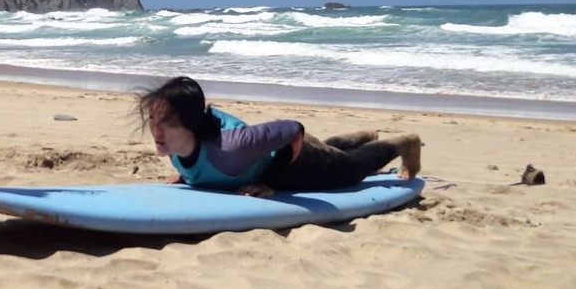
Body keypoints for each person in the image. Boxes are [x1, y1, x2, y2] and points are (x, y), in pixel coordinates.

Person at [138, 77, 421, 196]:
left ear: (190, 124)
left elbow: (294, 129)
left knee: (352, 170)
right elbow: (200, 159)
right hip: (267, 151)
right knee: (335, 153)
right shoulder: (174, 143)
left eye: (166, 122)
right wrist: (191, 174)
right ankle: (363, 135)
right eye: (152, 119)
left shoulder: (231, 147)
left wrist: (268, 183)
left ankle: (403, 142)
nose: (156, 130)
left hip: (294, 159)